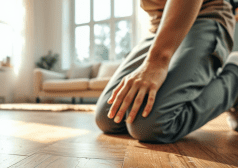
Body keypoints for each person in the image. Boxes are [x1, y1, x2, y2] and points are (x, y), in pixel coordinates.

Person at [95, 0, 238, 144]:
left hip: (205, 14)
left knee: (152, 125)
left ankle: (234, 79)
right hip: (159, 25)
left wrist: (157, 61)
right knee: (108, 118)